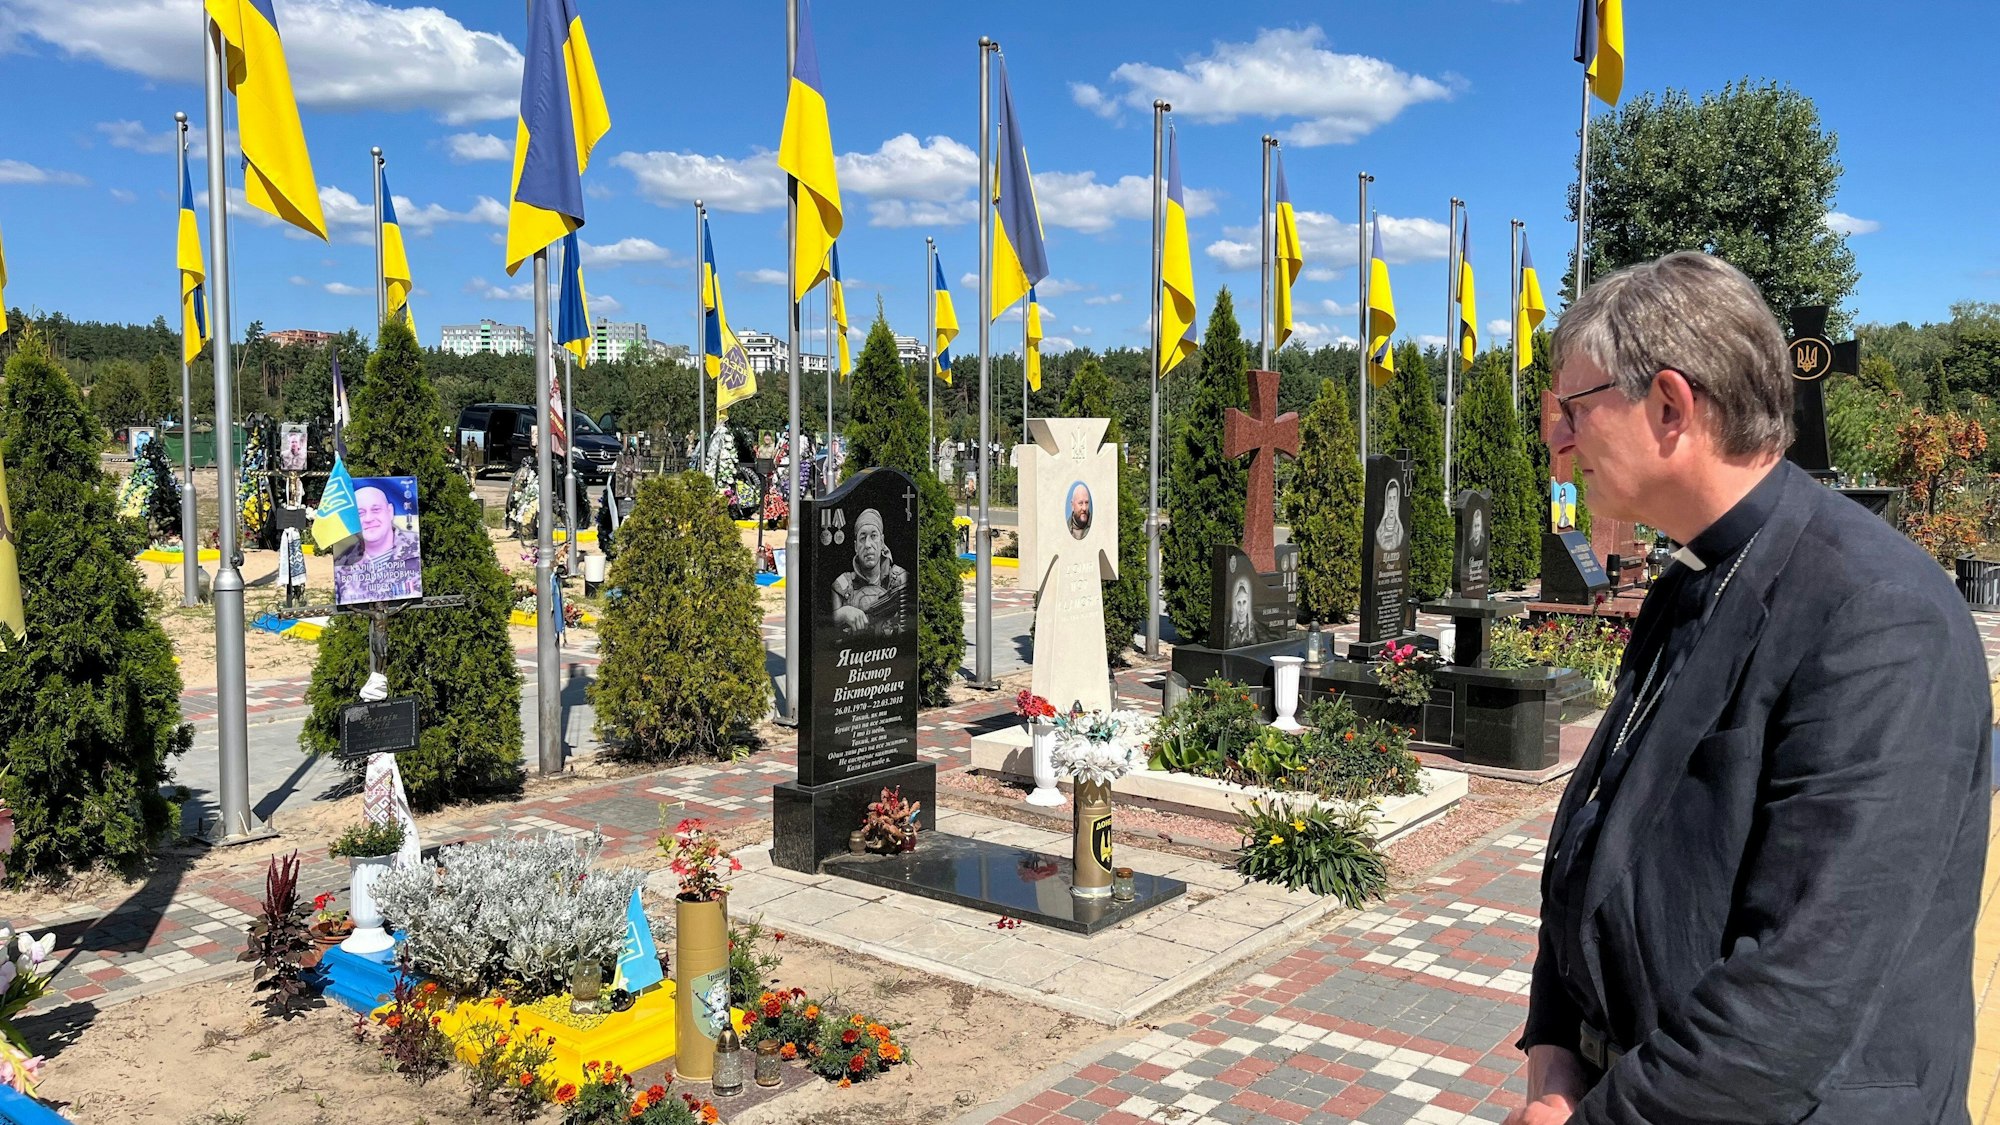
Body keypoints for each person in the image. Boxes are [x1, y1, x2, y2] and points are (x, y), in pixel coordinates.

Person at [1513, 252, 1988, 1125]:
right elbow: (1594, 837)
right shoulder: (1688, 579)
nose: (1558, 438)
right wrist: (1554, 1052)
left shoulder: (1879, 615)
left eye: (1573, 408)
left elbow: (1804, 989)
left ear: (1670, 406)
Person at [334, 484, 422, 604]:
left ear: (390, 511)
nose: (368, 519)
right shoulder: (343, 565)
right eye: (360, 513)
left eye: (376, 510)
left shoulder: (417, 548)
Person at [831, 508, 908, 637]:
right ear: (856, 546)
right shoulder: (842, 586)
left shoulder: (901, 579)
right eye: (862, 538)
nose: (868, 544)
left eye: (873, 536)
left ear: (882, 542)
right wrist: (841, 614)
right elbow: (824, 624)